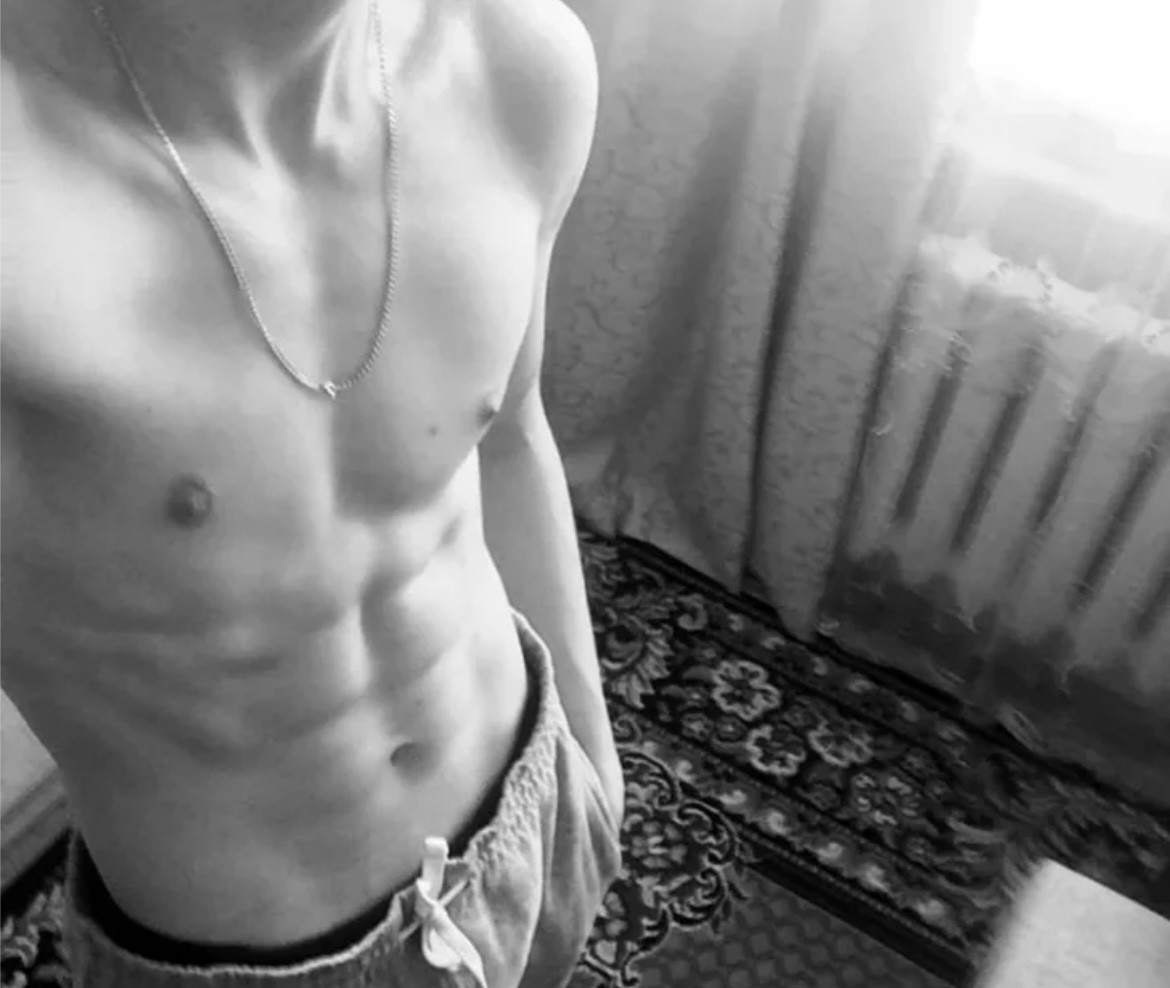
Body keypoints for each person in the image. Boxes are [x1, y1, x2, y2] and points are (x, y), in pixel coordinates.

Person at [0, 0, 624, 984]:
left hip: (531, 815)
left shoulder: (519, 58)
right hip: (252, 954)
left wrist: (591, 756)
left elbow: (511, 434)